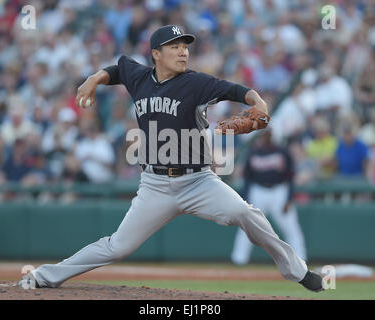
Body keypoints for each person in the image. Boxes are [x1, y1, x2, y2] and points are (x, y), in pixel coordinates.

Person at [18, 25, 323, 292]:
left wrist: (261, 105)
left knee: (247, 213)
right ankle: (45, 276)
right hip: (155, 186)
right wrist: (94, 78)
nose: (182, 53)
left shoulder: (195, 82)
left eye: (184, 47)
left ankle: (298, 272)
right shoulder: (139, 77)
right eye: (174, 47)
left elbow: (239, 91)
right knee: (117, 247)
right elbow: (118, 70)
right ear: (155, 54)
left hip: (199, 181)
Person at [231, 129, 307, 266]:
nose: (265, 138)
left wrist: (289, 198)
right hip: (258, 191)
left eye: (268, 135)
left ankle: (301, 259)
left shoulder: (282, 152)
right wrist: (245, 198)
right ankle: (239, 259)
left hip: (279, 191)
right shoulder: (253, 153)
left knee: (291, 227)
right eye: (263, 135)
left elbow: (290, 177)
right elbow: (247, 178)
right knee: (249, 226)